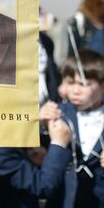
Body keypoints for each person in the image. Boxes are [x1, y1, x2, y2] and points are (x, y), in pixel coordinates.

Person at [51, 49, 104, 207]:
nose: (75, 90)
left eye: (83, 84)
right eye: (70, 82)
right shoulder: (56, 113)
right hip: (64, 199)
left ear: (102, 86)